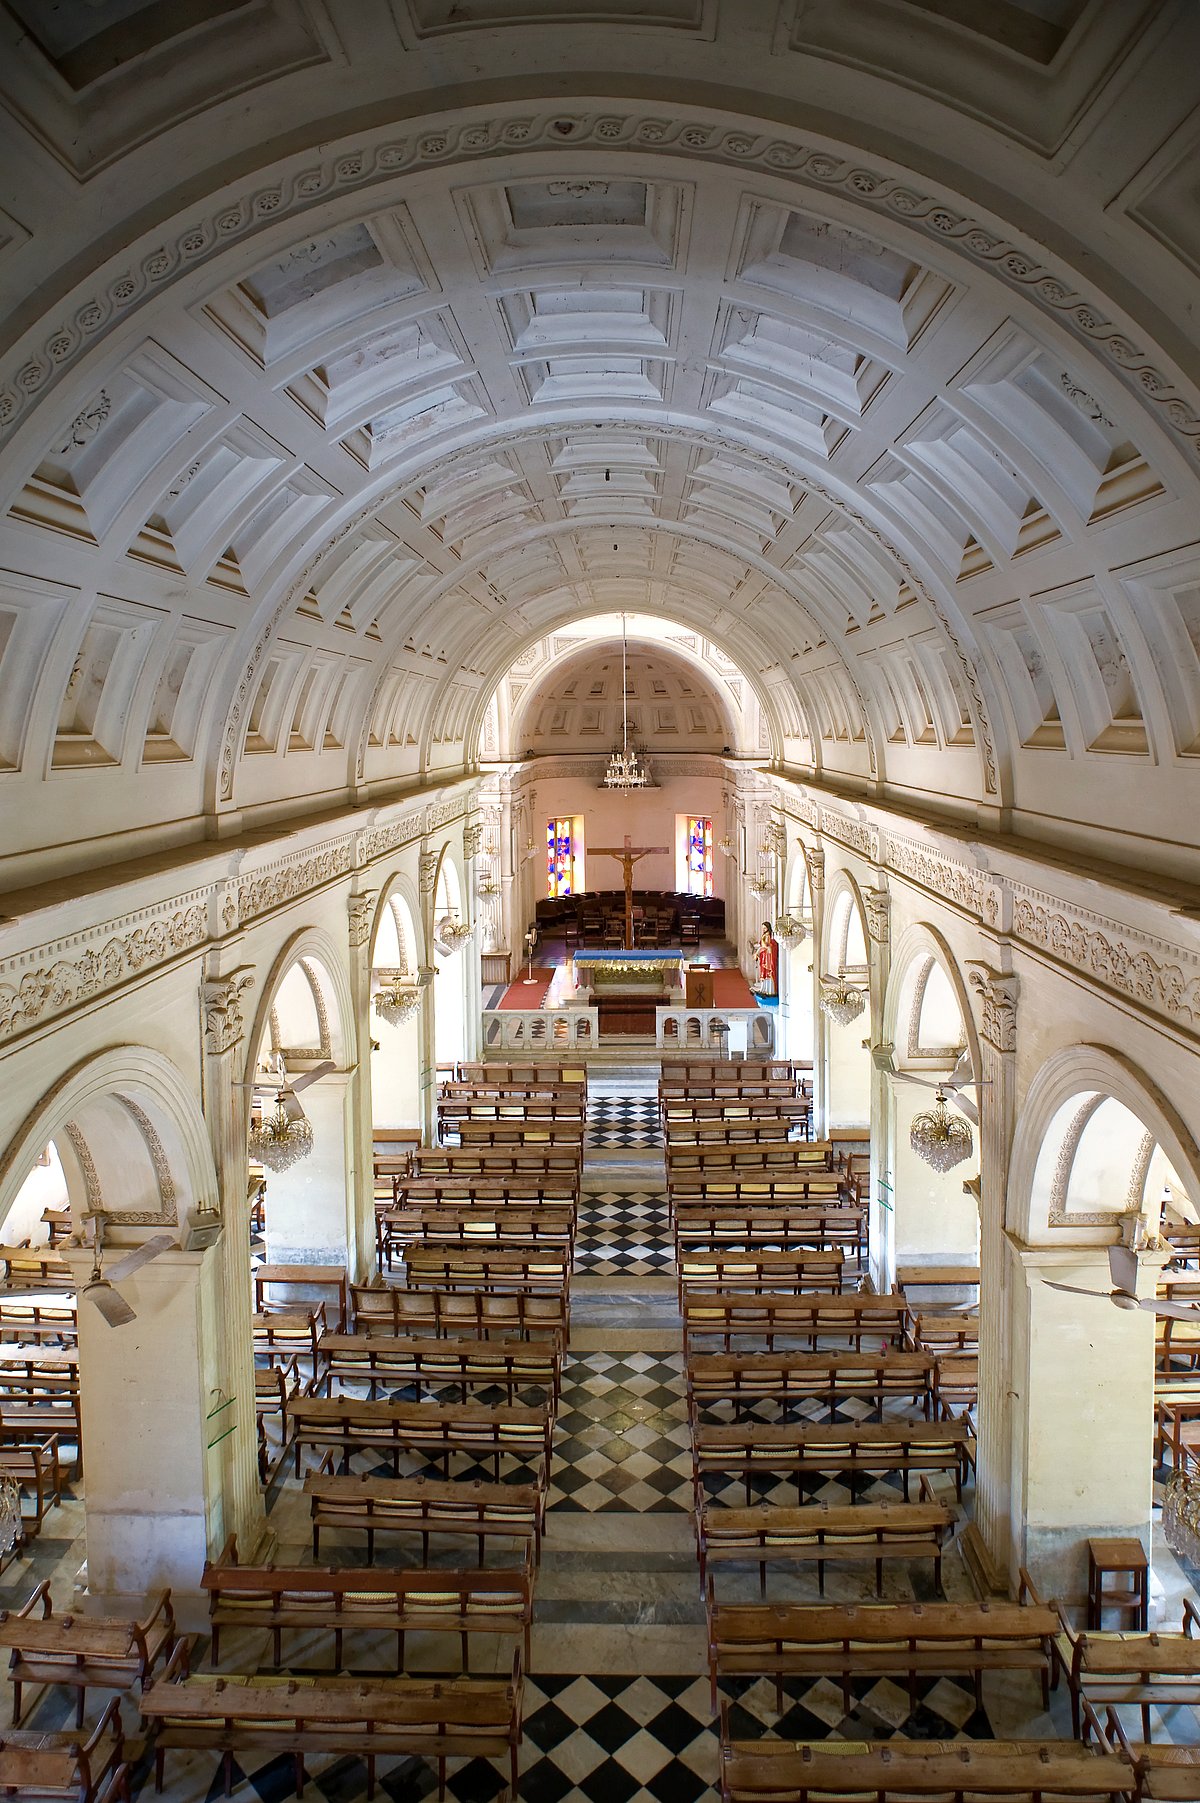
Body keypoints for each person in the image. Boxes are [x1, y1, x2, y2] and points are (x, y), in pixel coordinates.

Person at [755, 922, 779, 996]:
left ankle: (769, 990)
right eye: (763, 928)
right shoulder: (765, 935)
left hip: (768, 958)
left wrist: (758, 951)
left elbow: (766, 945)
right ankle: (763, 989)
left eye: (765, 928)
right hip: (764, 956)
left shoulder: (768, 935)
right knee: (764, 972)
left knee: (767, 972)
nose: (764, 929)